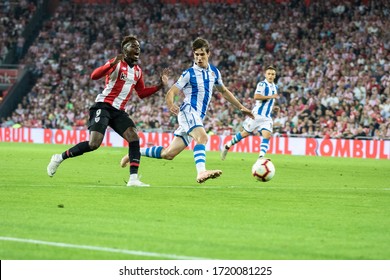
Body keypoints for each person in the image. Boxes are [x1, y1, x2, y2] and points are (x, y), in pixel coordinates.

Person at [120, 37, 254, 183]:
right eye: (196, 54)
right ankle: (201, 172)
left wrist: (241, 107)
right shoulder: (189, 73)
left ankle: (135, 153)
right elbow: (171, 92)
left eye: (202, 54)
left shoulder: (214, 72)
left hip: (197, 116)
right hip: (188, 111)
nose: (199, 58)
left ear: (208, 54)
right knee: (202, 138)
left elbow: (224, 91)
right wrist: (171, 104)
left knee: (168, 154)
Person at [47, 35, 169, 187]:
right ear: (124, 50)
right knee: (94, 144)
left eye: (138, 46)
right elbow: (94, 76)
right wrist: (110, 64)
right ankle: (59, 157)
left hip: (118, 111)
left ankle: (133, 179)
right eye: (133, 46)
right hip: (103, 106)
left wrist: (159, 86)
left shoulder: (137, 71)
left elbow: (142, 93)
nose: (137, 49)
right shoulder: (116, 63)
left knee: (134, 138)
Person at [221, 65, 280, 161]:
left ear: (275, 76)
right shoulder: (262, 84)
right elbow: (256, 96)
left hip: (267, 117)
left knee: (267, 135)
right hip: (256, 115)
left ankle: (261, 157)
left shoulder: (275, 87)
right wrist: (271, 96)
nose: (270, 76)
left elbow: (269, 102)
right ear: (265, 75)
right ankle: (227, 146)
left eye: (272, 74)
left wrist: (274, 108)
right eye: (269, 74)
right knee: (244, 134)